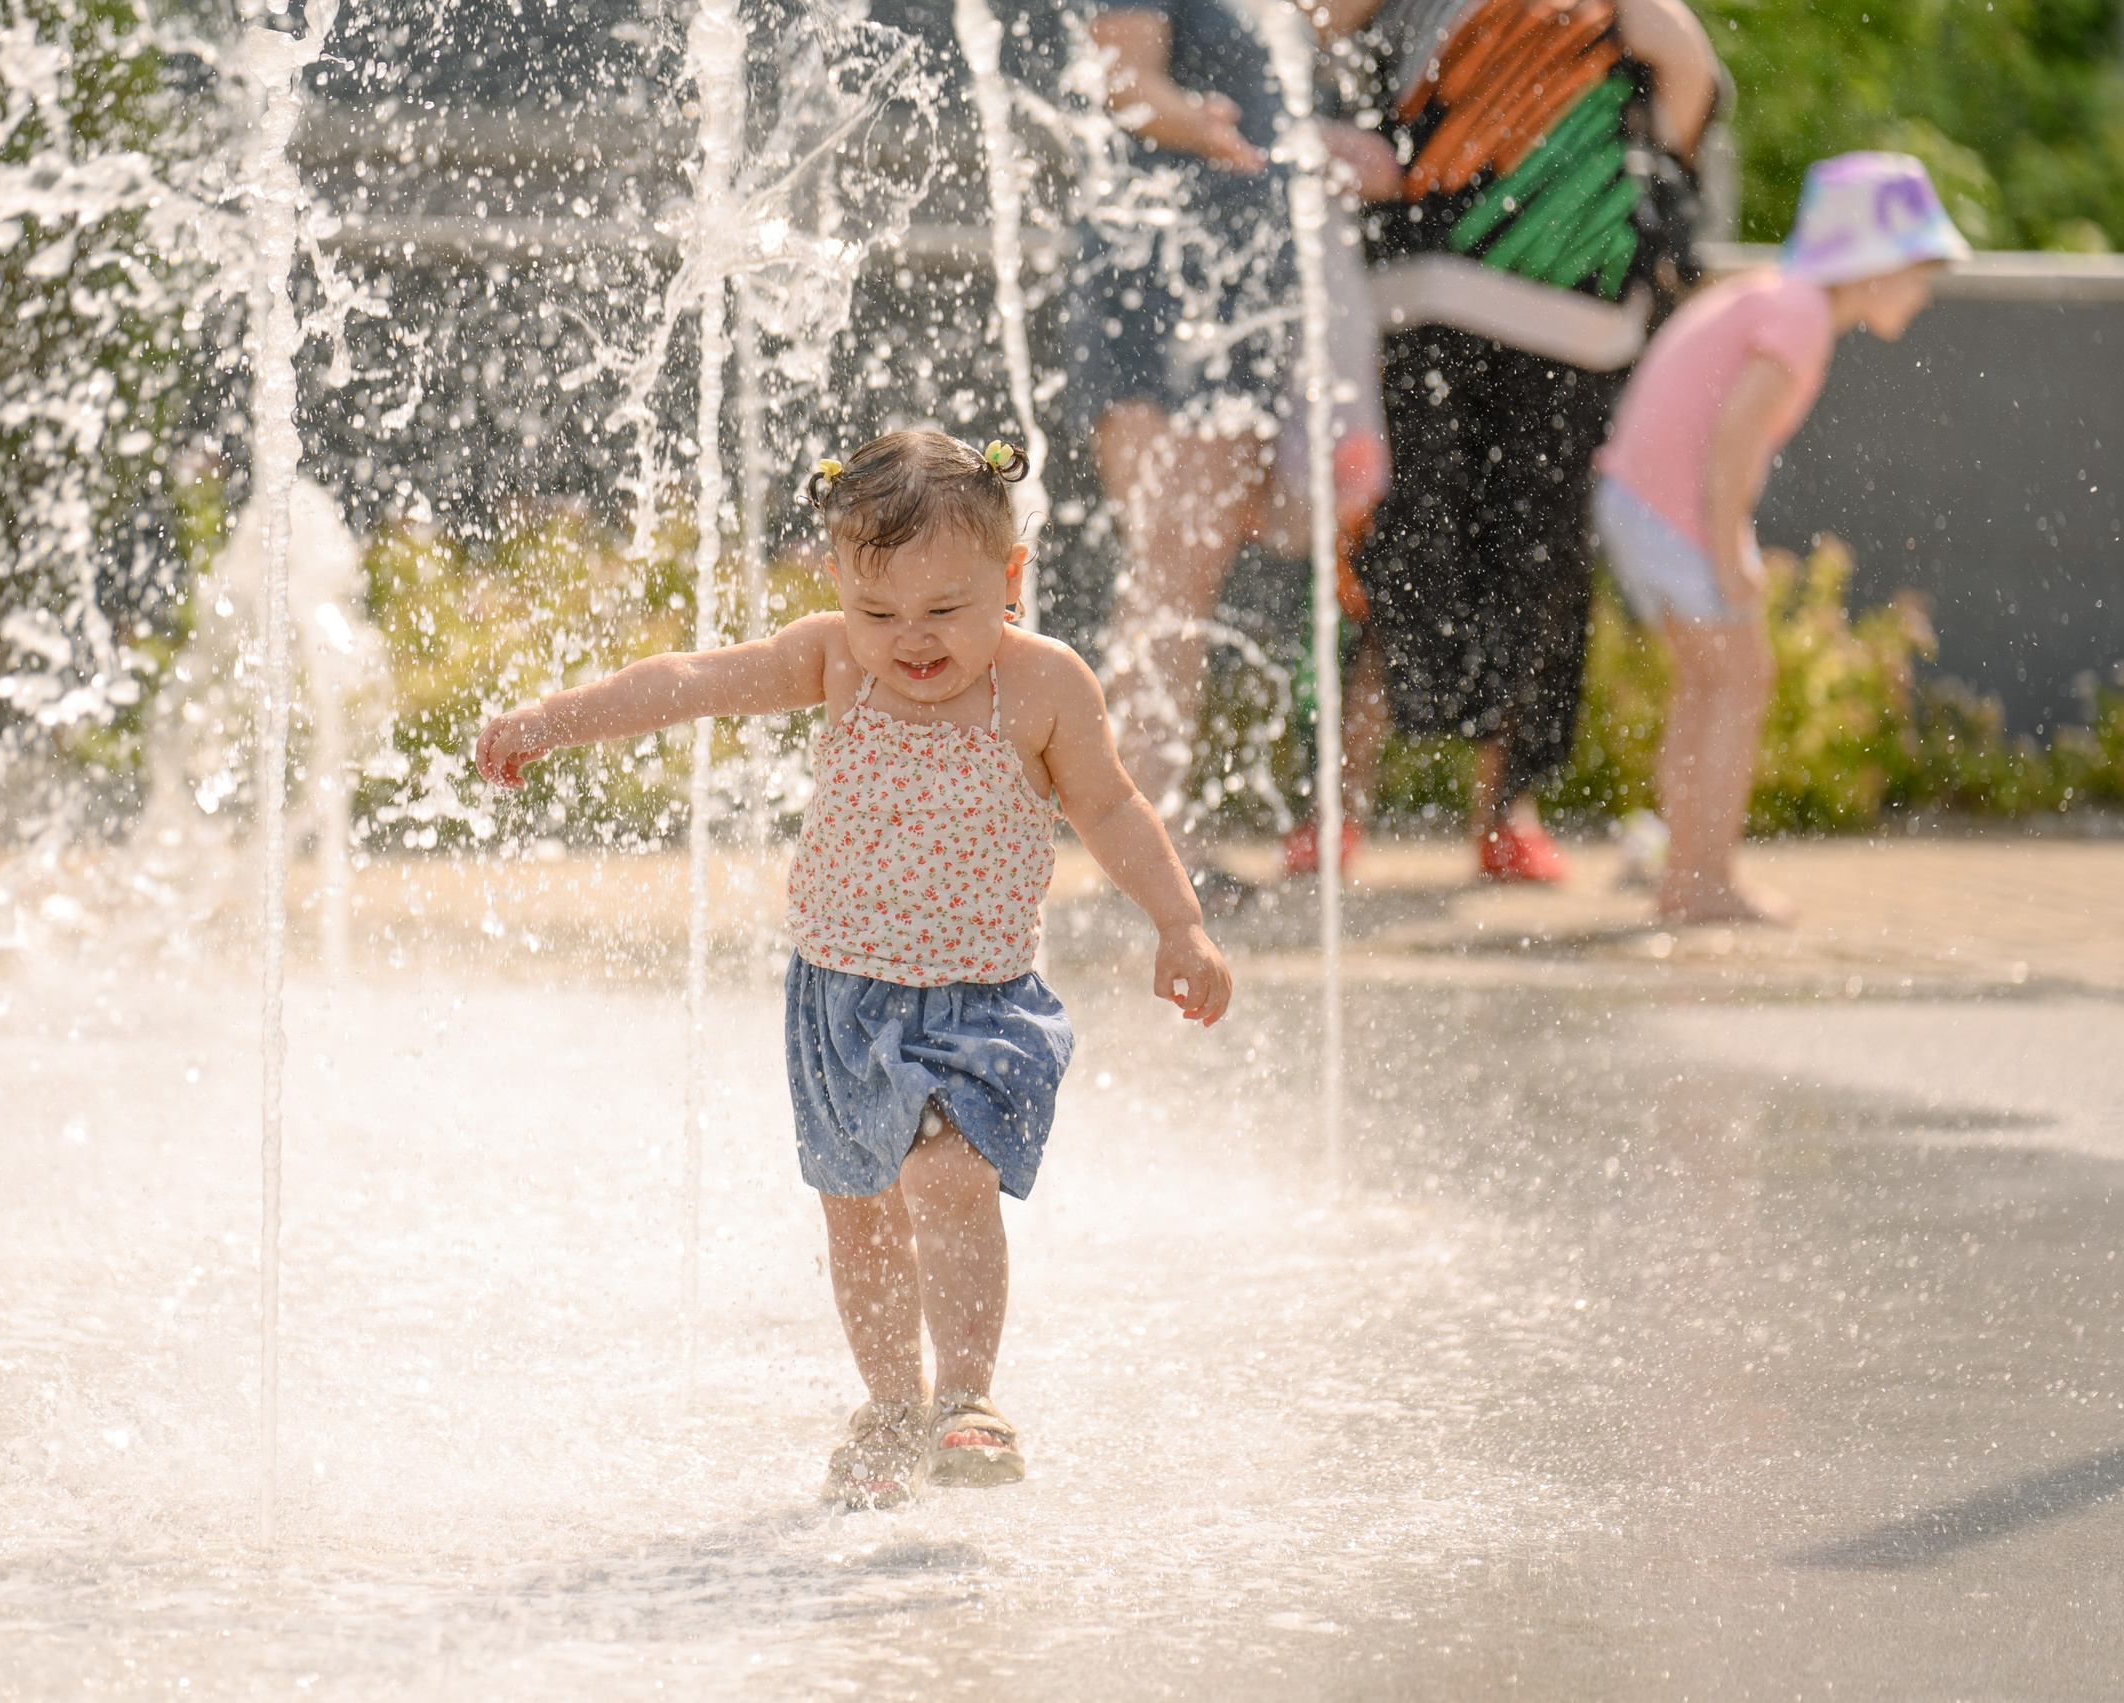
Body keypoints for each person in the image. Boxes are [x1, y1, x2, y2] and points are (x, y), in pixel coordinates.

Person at [474, 431, 1235, 1508]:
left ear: (1008, 581)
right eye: (879, 611)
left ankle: (966, 1396)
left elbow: (1107, 805)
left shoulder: (1041, 685)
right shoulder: (835, 660)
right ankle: (887, 1404)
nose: (910, 639)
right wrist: (556, 721)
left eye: (944, 610)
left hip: (978, 998)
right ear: (838, 584)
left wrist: (1178, 921)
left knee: (946, 1174)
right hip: (836, 995)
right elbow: (691, 682)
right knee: (860, 1211)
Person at [1322, 0, 1722, 881]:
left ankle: (1506, 814)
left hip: (1573, 319)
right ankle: (1336, 809)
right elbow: (1317, 35)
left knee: (1542, 572)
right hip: (1424, 298)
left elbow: (1686, 97)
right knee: (1397, 553)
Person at [1068, 0, 1397, 908]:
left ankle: (1155, 834)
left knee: (1185, 577)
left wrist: (1311, 140)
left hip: (1237, 296)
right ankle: (1146, 844)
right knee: (1168, 572)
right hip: (1164, 285)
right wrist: (1202, 127)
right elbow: (1123, 84)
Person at [1595, 153, 1964, 923]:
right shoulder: (1797, 314)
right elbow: (1731, 438)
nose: (1925, 290)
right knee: (1738, 679)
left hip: (1641, 500)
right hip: (1672, 509)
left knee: (1709, 683)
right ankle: (1703, 883)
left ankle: (1684, 875)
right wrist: (1730, 550)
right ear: (1870, 264)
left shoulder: (1780, 299)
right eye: (1918, 267)